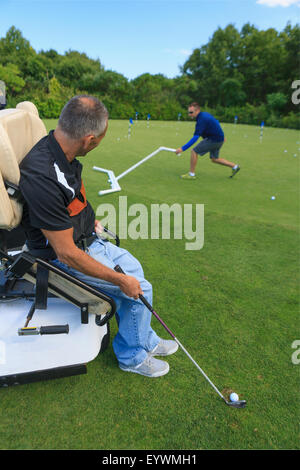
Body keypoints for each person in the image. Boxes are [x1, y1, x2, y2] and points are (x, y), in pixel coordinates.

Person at [19, 95, 178, 377]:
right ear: (89, 140)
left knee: (136, 272)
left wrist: (89, 220)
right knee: (137, 286)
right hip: (61, 257)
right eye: (100, 139)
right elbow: (65, 252)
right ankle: (131, 357)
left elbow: (70, 199)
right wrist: (118, 280)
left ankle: (145, 340)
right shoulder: (42, 174)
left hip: (86, 238)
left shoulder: (59, 150)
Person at [175, 102, 240, 179]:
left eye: (191, 112)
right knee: (214, 159)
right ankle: (234, 166)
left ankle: (191, 174)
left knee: (194, 151)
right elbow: (216, 122)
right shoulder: (205, 114)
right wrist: (222, 135)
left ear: (197, 110)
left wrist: (182, 148)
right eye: (188, 112)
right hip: (219, 139)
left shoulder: (201, 120)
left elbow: (195, 137)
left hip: (214, 140)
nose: (189, 114)